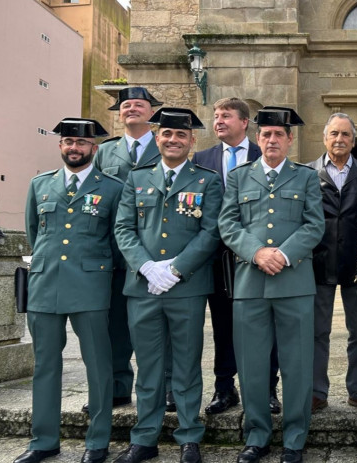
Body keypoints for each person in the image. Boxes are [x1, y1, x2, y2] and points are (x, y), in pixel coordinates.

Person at [113, 108, 223, 463]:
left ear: (192, 141)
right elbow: (124, 229)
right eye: (166, 134)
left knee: (188, 365)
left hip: (186, 287)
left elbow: (211, 233)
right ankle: (144, 438)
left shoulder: (207, 180)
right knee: (148, 366)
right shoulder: (137, 178)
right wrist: (146, 266)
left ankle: (189, 436)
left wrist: (175, 269)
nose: (173, 140)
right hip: (143, 288)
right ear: (157, 138)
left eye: (181, 136)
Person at [219, 106, 324, 463]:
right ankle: (257, 435)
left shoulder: (306, 177)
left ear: (290, 139)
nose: (272, 140)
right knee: (251, 364)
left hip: (294, 282)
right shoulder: (239, 177)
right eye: (266, 134)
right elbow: (228, 224)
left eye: (279, 134)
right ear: (257, 138)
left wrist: (283, 254)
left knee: (296, 364)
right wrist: (256, 252)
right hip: (250, 283)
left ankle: (295, 438)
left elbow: (314, 225)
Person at [16, 118, 121, 463]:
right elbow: (35, 232)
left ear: (94, 148)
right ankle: (43, 441)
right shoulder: (40, 184)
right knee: (46, 365)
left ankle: (97, 442)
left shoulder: (113, 187)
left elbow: (117, 239)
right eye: (67, 142)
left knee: (98, 365)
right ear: (60, 146)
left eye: (81, 143)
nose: (73, 148)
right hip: (45, 284)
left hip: (91, 283)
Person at [192, 97, 282, 416]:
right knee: (222, 325)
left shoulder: (265, 153)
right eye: (216, 116)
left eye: (226, 116)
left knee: (264, 326)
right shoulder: (201, 159)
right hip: (217, 259)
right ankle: (224, 388)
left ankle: (267, 389)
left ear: (245, 122)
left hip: (258, 257)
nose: (218, 120)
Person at [91, 86, 165, 412]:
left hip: (153, 252)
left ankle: (163, 389)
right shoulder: (106, 153)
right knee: (114, 324)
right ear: (119, 113)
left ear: (152, 112)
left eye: (139, 104)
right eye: (125, 105)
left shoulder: (167, 147)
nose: (131, 108)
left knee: (158, 325)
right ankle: (118, 386)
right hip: (112, 253)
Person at [307, 113, 357, 414]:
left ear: (353, 141)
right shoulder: (307, 174)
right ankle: (317, 391)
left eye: (345, 134)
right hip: (318, 265)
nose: (339, 139)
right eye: (334, 134)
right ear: (325, 138)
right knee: (317, 331)